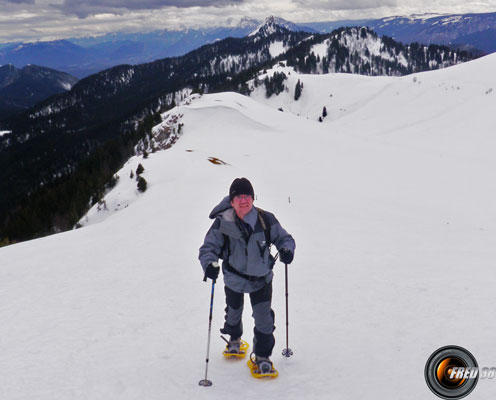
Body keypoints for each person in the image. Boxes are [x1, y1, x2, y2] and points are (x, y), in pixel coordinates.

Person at [199, 177, 295, 373]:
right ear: (231, 200)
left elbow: (284, 238)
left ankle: (262, 357)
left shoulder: (266, 220)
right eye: (239, 197)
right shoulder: (222, 223)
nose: (243, 201)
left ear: (253, 198)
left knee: (264, 319)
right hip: (234, 278)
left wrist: (286, 249)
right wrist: (209, 264)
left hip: (261, 279)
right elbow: (208, 247)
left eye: (247, 196)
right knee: (233, 313)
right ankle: (234, 339)